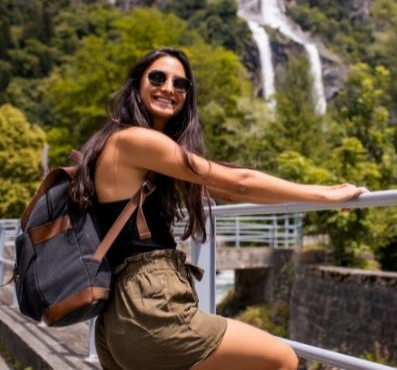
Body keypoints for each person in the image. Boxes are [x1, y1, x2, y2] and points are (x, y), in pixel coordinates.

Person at [69, 47, 367, 370]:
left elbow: (225, 188)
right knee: (282, 359)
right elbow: (239, 181)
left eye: (180, 84)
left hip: (117, 319)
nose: (169, 88)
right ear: (136, 84)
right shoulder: (137, 141)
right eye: (157, 77)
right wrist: (326, 195)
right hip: (150, 308)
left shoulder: (125, 146)